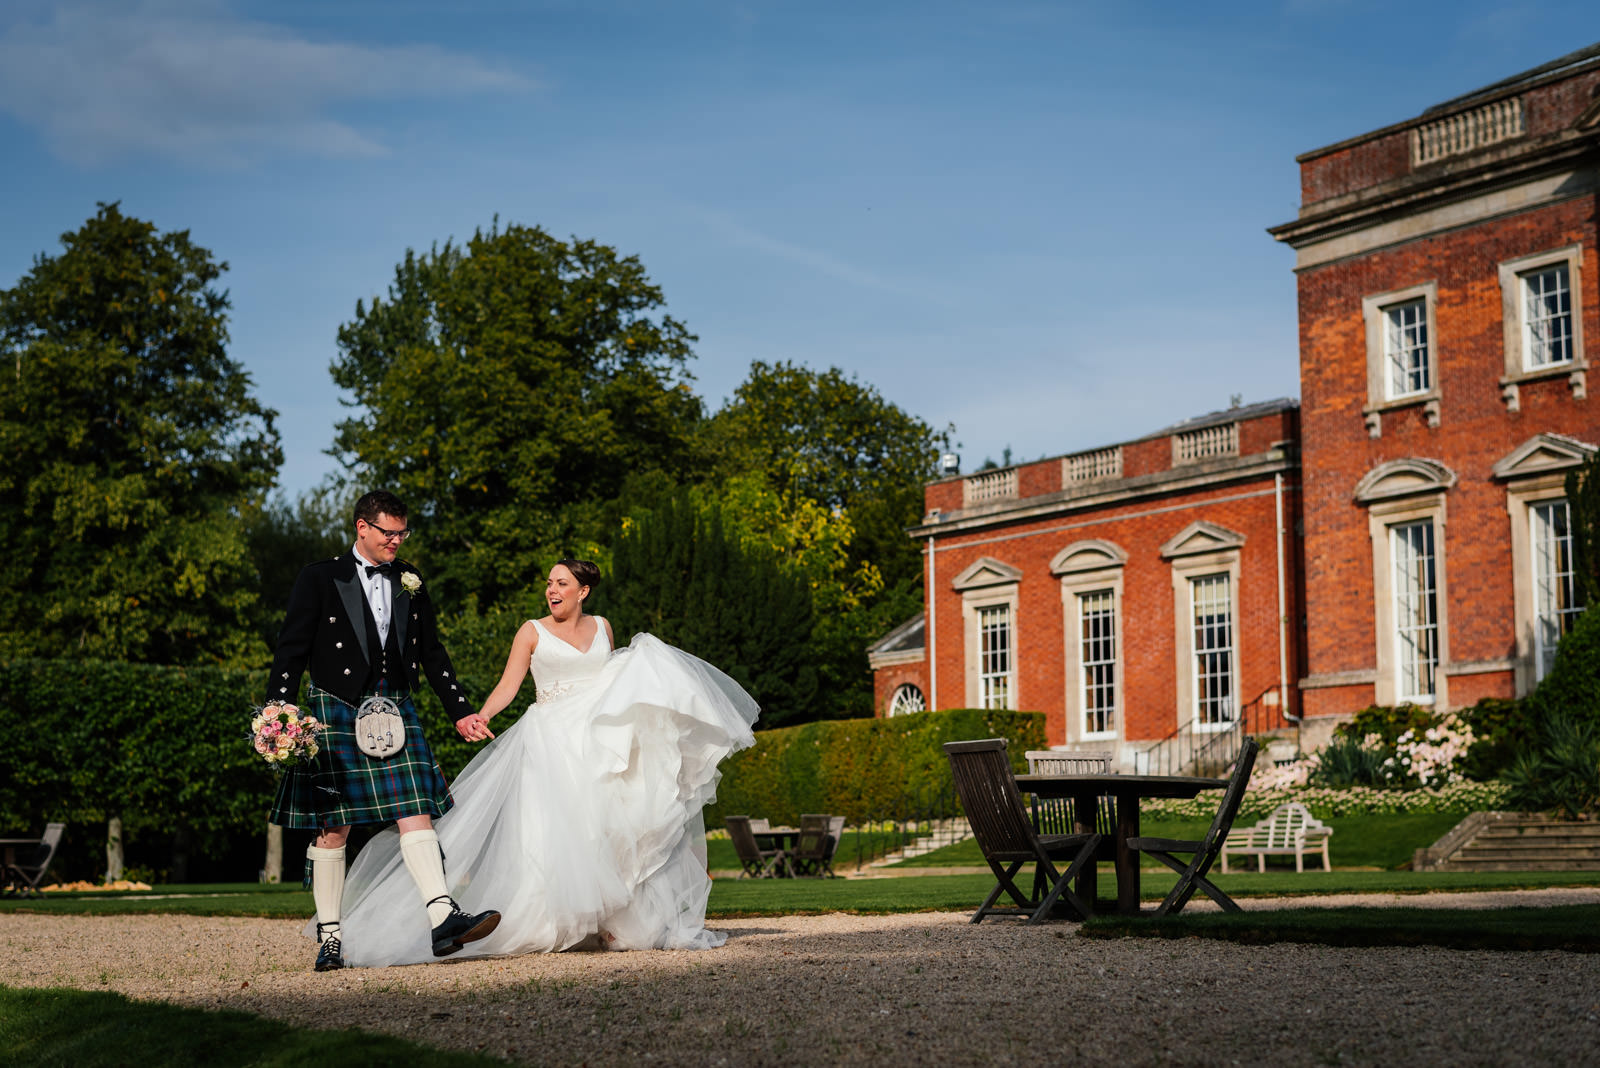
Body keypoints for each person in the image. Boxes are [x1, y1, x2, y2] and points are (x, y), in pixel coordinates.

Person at [329, 559, 760, 966]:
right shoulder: (531, 631)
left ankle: (611, 921)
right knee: (558, 833)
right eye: (550, 583)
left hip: (598, 739)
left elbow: (615, 680)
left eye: (562, 584)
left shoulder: (604, 627)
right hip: (551, 740)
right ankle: (552, 920)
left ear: (583, 591)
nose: (552, 590)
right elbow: (509, 684)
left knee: (609, 828)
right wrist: (482, 714)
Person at [267, 490, 501, 972]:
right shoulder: (319, 577)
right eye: (388, 533)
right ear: (362, 527)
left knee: (415, 810)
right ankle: (330, 937)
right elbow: (291, 647)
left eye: (402, 533)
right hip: (335, 708)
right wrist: (280, 713)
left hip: (394, 705)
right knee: (334, 828)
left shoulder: (409, 580)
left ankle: (443, 920)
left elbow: (432, 652)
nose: (396, 541)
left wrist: (460, 709)